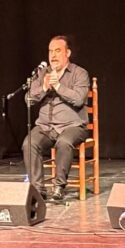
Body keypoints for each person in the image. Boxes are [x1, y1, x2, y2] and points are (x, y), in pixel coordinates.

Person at [23, 35, 90, 202]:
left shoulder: (79, 73)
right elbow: (28, 99)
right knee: (29, 143)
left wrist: (58, 86)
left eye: (57, 51)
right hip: (46, 126)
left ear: (67, 53)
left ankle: (59, 186)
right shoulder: (42, 73)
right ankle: (38, 189)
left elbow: (79, 98)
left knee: (64, 142)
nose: (53, 55)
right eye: (50, 51)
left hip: (73, 126)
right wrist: (45, 86)